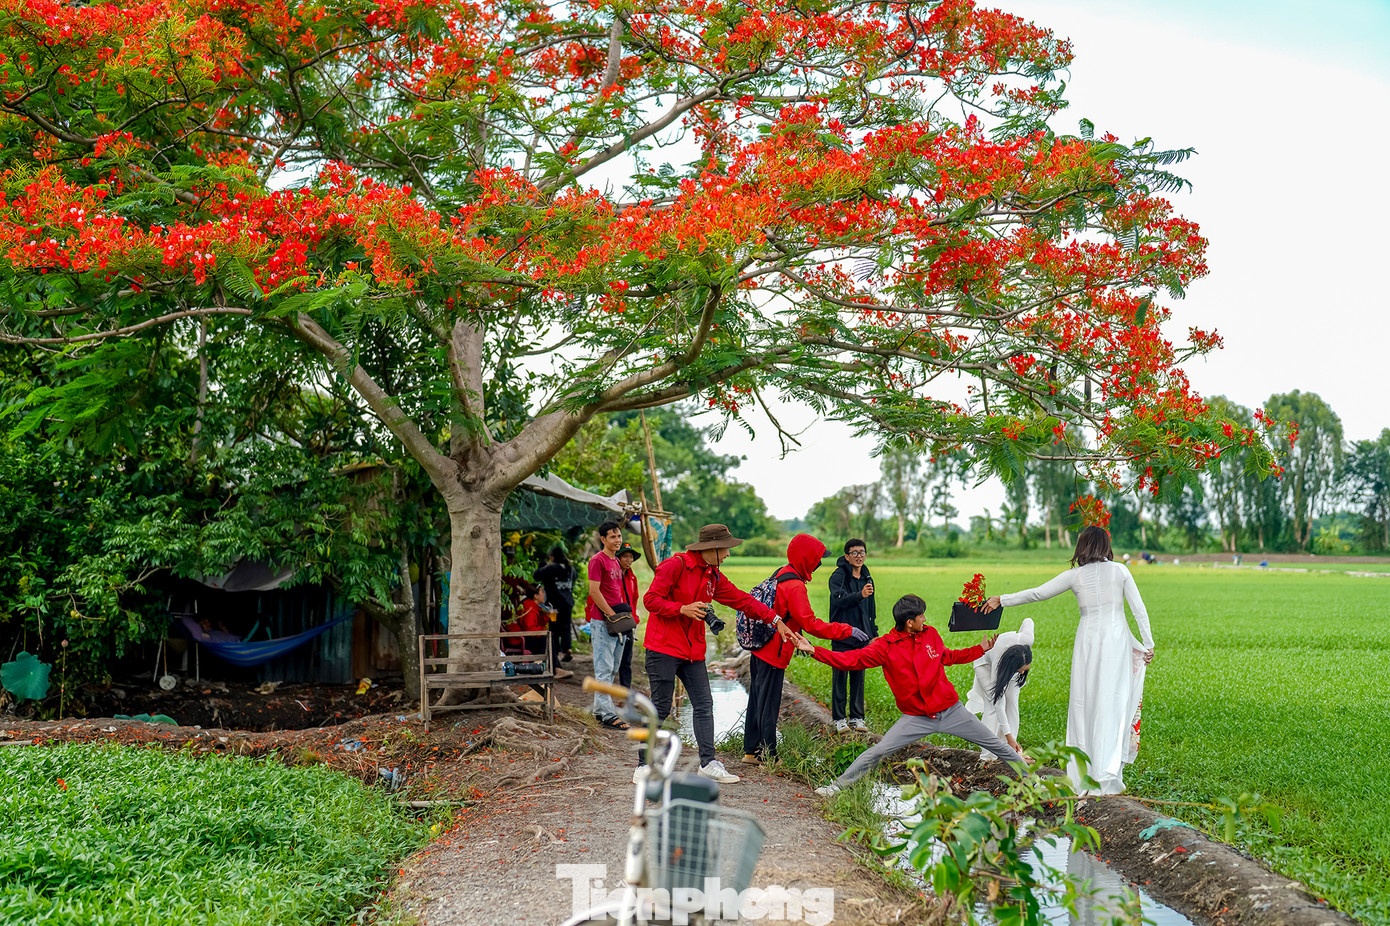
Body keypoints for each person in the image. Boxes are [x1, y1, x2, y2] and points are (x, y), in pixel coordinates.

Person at [793, 594, 1025, 796]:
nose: (925, 619)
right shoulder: (885, 647)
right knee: (879, 751)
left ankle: (1035, 783)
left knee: (997, 744)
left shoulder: (930, 634)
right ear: (909, 622)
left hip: (952, 710)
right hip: (916, 717)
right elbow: (850, 660)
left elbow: (948, 657)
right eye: (921, 616)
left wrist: (980, 649)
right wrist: (814, 650)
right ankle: (836, 787)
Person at [985, 525, 1154, 796]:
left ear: (1082, 546)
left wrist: (1002, 599)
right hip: (1115, 639)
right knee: (1112, 701)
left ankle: (1083, 776)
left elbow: (1038, 593)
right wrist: (1148, 643)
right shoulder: (1121, 570)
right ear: (1106, 545)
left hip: (1088, 639)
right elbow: (1138, 608)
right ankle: (1107, 775)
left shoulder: (1076, 575)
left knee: (1084, 704)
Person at [642, 523, 795, 784]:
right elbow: (650, 600)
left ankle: (708, 763)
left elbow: (742, 600)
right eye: (725, 549)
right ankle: (644, 766)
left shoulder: (712, 575)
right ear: (711, 548)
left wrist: (776, 619)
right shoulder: (675, 566)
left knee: (704, 705)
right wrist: (682, 609)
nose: (728, 555)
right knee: (660, 707)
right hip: (663, 647)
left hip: (693, 650)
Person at [743, 534, 864, 764]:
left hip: (761, 646)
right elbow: (811, 623)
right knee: (769, 704)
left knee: (757, 699)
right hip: (775, 651)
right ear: (806, 559)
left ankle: (751, 751)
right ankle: (769, 756)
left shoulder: (781, 573)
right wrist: (846, 629)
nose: (818, 564)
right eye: (817, 559)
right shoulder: (795, 585)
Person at [964, 618, 1035, 763]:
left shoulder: (1027, 640)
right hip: (984, 665)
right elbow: (999, 703)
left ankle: (1013, 751)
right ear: (1012, 666)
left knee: (1013, 703)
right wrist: (1008, 735)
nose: (1022, 674)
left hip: (1011, 662)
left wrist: (1018, 636)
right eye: (1020, 671)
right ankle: (989, 755)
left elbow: (1028, 620)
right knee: (992, 707)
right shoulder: (998, 661)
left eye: (1025, 670)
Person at [827, 538, 877, 733]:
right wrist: (860, 595)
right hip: (842, 634)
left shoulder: (867, 576)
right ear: (847, 556)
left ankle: (857, 718)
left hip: (863, 636)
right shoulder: (838, 576)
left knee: (859, 677)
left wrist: (874, 633)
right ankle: (839, 719)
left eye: (862, 552)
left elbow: (871, 608)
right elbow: (838, 601)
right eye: (854, 553)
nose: (859, 556)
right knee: (840, 677)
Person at [586, 520, 633, 729]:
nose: (617, 540)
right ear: (603, 539)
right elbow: (594, 592)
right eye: (613, 537)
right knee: (604, 669)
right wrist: (612, 614)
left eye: (619, 536)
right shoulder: (598, 560)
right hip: (603, 621)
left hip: (616, 622)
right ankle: (607, 715)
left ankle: (599, 710)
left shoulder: (615, 562)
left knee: (612, 667)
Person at [506, 583, 573, 679]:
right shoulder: (529, 607)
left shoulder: (535, 607)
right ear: (536, 596)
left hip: (530, 638)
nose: (544, 594)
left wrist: (546, 617)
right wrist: (543, 631)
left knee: (548, 637)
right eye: (542, 592)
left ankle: (553, 668)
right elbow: (530, 630)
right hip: (525, 640)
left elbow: (537, 624)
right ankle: (549, 668)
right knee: (547, 638)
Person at [534, 546, 577, 664]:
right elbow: (573, 581)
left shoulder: (551, 568)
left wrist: (542, 566)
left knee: (554, 629)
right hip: (568, 603)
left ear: (552, 557)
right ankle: (567, 649)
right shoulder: (571, 569)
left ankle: (555, 653)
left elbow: (536, 576)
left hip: (554, 605)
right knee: (566, 627)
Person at [616, 542, 642, 689]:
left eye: (631, 557)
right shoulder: (613, 575)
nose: (628, 560)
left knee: (626, 660)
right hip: (613, 621)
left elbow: (634, 599)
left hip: (628, 622)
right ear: (618, 558)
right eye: (625, 556)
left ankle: (625, 692)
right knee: (612, 661)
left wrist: (634, 618)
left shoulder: (633, 578)